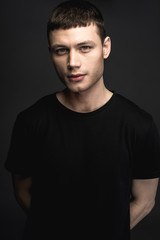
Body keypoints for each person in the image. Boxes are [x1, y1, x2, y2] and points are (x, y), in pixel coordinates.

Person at [5, 1, 160, 239]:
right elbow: (22, 189)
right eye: (61, 50)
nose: (73, 62)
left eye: (85, 47)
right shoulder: (31, 121)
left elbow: (145, 200)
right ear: (50, 53)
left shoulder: (139, 125)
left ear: (105, 47)